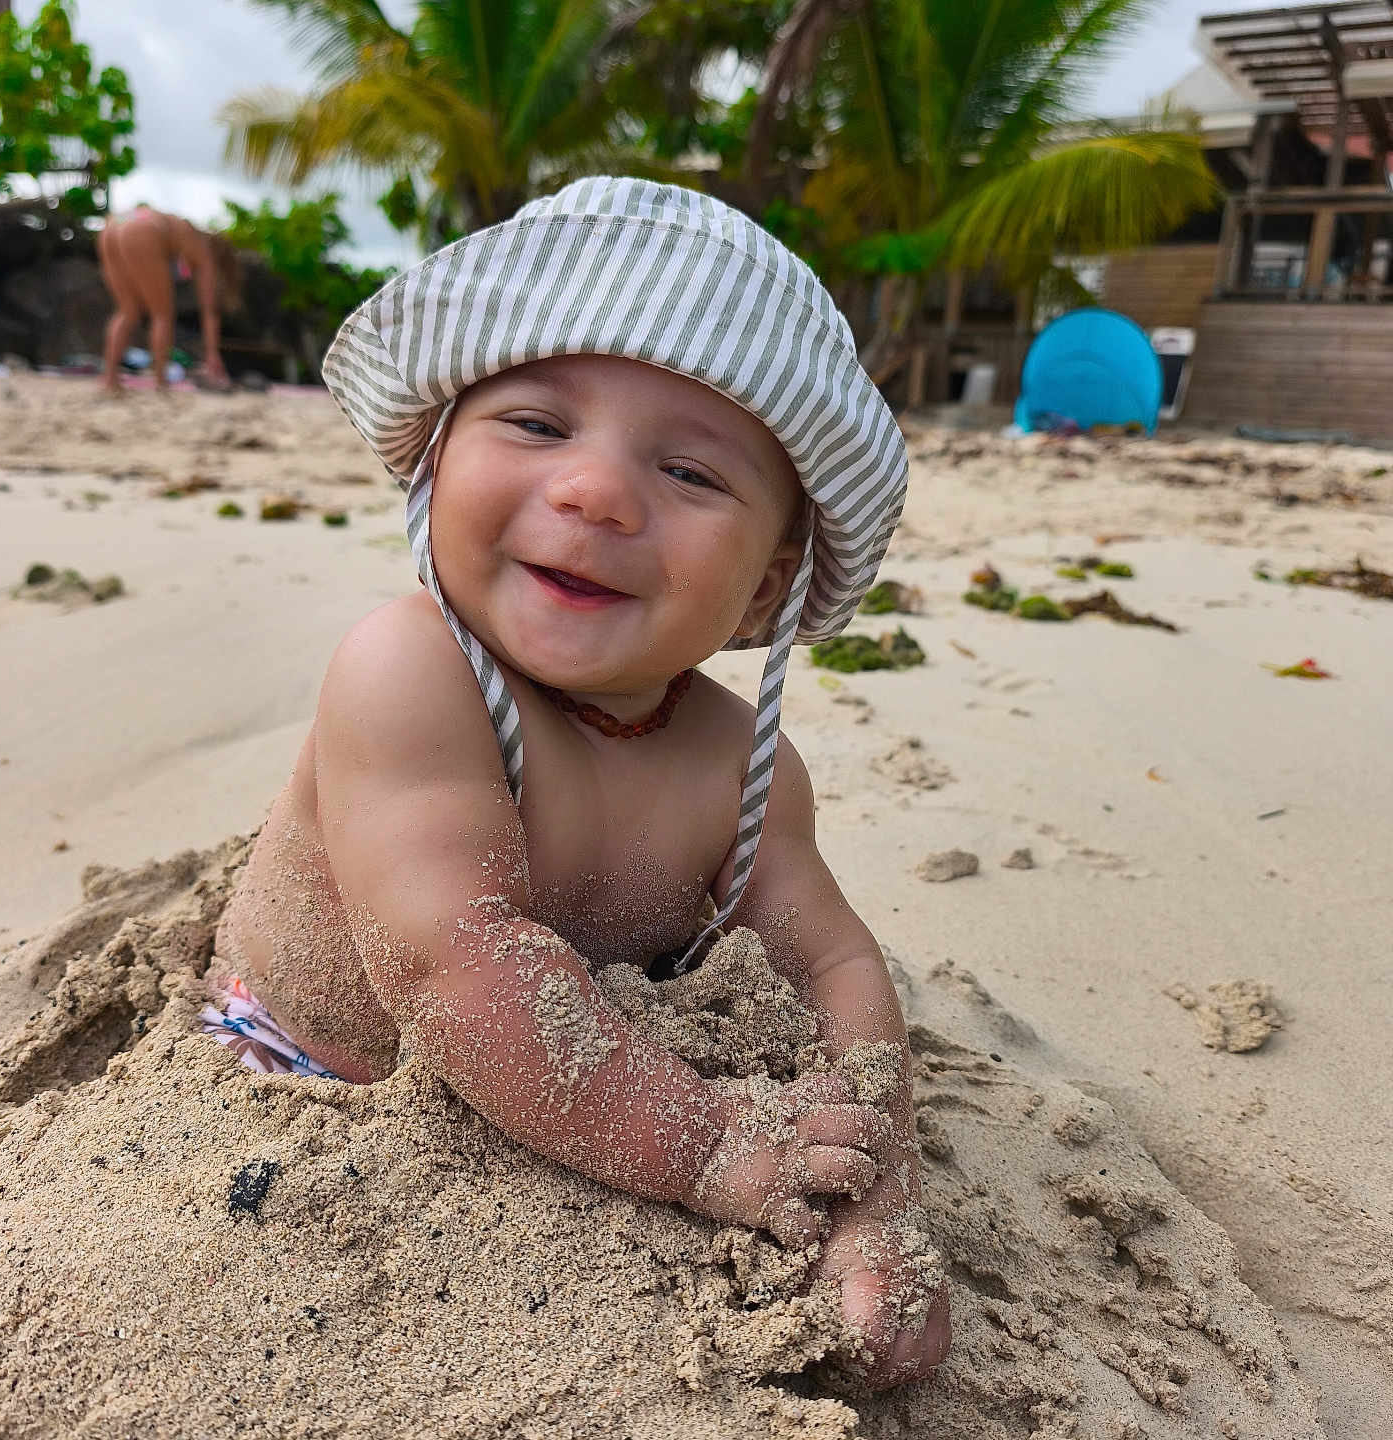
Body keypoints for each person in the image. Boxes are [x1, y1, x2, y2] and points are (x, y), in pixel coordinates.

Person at [208, 177, 951, 1387]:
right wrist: (713, 1147)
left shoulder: (737, 763)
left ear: (767, 588)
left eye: (693, 475)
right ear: (435, 460)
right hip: (318, 1077)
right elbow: (453, 964)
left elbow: (831, 963)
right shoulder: (413, 671)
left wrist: (877, 1188)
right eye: (539, 427)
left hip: (607, 1096)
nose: (596, 491)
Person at [96, 206, 237, 393]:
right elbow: (209, 310)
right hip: (141, 228)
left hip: (116, 223)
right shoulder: (204, 250)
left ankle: (110, 378)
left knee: (127, 311)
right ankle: (161, 381)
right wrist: (212, 354)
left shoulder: (180, 227)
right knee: (162, 314)